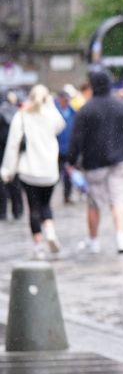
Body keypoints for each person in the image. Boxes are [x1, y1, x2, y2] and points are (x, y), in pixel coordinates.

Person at [67, 69, 123, 254]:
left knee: (94, 203)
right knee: (119, 200)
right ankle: (121, 237)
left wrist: (72, 161)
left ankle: (94, 240)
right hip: (119, 160)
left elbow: (77, 139)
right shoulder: (121, 106)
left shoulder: (86, 110)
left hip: (94, 163)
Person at [1, 85, 66, 258]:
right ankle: (50, 231)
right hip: (49, 170)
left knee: (33, 206)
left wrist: (8, 169)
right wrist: (50, 105)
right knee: (46, 204)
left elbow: (13, 144)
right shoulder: (51, 116)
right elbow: (61, 125)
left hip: (28, 169)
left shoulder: (22, 116)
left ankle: (38, 245)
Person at [0, 92, 25, 221]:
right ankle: (18, 210)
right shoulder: (19, 113)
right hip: (15, 152)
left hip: (3, 152)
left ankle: (2, 212)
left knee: (2, 184)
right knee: (15, 183)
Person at [54, 88, 77, 204]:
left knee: (68, 175)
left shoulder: (73, 113)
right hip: (56, 149)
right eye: (64, 100)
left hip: (69, 149)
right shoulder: (54, 112)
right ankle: (50, 195)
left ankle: (67, 196)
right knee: (55, 174)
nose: (66, 102)